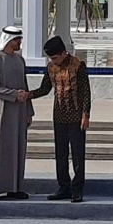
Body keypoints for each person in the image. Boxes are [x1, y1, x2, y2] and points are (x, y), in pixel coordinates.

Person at [28, 36, 91, 203]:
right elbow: (45, 89)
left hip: (76, 116)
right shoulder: (51, 68)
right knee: (60, 153)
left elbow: (86, 92)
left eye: (55, 57)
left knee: (78, 154)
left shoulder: (78, 65)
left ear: (64, 53)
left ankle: (77, 189)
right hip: (59, 116)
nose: (53, 61)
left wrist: (86, 114)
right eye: (51, 58)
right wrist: (28, 95)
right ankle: (64, 187)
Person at [0, 26, 34, 201]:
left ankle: (15, 188)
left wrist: (28, 111)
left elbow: (25, 86)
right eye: (17, 40)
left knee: (17, 149)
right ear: (8, 40)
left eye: (20, 40)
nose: (19, 43)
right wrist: (14, 95)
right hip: (0, 111)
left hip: (19, 112)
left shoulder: (20, 60)